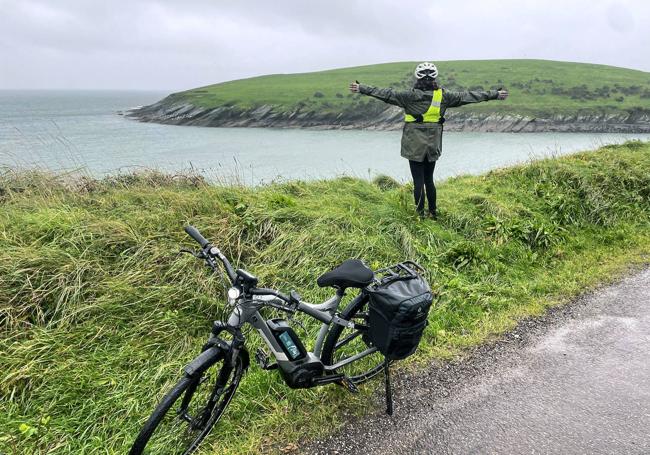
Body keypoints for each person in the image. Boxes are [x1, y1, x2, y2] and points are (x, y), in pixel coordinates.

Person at [349, 62, 509, 219]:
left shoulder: (407, 96)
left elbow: (384, 93)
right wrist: (495, 94)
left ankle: (419, 215)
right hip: (433, 143)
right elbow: (470, 96)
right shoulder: (444, 96)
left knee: (418, 180)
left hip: (413, 144)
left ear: (417, 78)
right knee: (429, 179)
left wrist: (361, 88)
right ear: (434, 78)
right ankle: (433, 212)